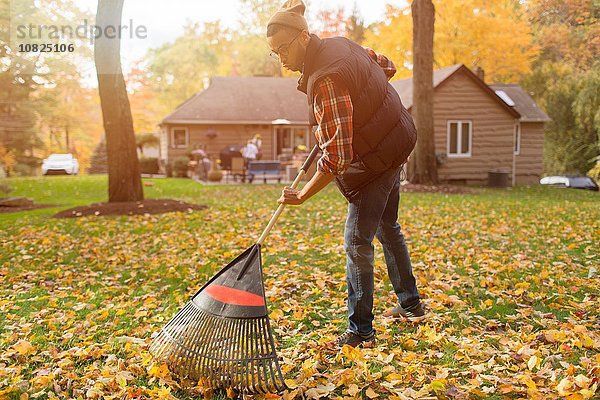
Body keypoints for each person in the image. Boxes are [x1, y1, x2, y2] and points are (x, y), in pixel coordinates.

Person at [267, 0, 426, 348]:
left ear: (304, 37)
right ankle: (411, 304)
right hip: (399, 138)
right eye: (273, 53)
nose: (280, 59)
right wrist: (362, 92)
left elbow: (338, 157)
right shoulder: (342, 44)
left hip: (378, 158)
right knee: (388, 226)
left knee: (357, 242)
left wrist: (303, 194)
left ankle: (361, 331)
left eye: (283, 49)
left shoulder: (325, 80)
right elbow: (387, 65)